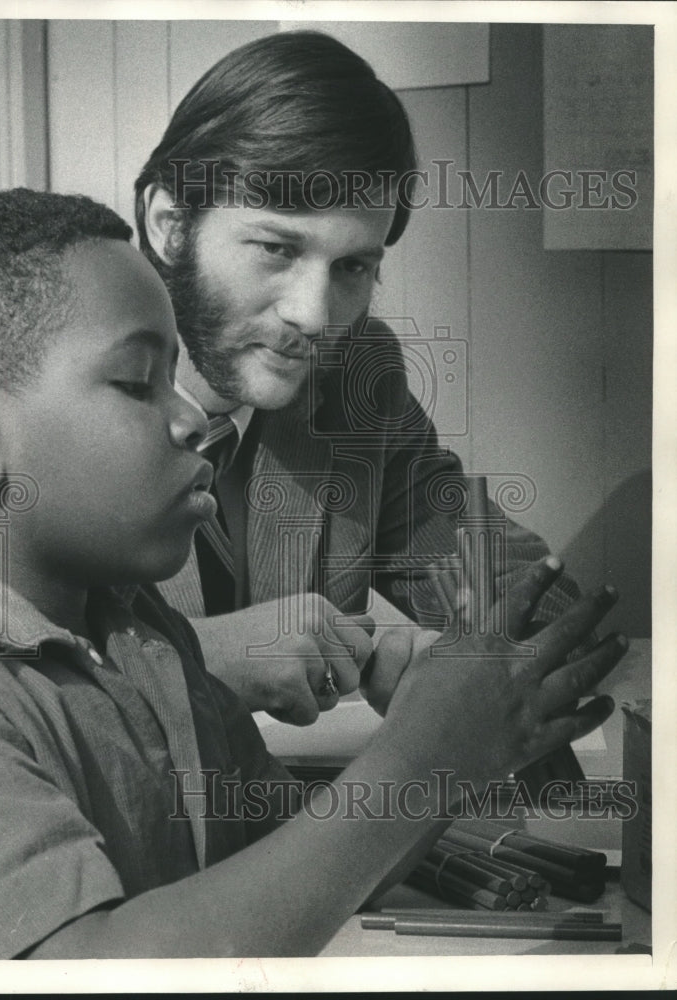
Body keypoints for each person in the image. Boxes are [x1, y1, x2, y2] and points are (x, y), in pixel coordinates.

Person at [0, 188, 625, 960]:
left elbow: (309, 866)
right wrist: (424, 755)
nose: (188, 420)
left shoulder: (140, 631)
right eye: (138, 382)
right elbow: (84, 970)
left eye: (177, 379)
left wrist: (455, 735)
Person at [133, 30, 588, 732]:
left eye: (353, 267)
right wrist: (198, 657)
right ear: (169, 226)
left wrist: (461, 659)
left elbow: (541, 610)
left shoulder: (355, 380)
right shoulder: (42, 377)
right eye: (276, 248)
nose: (315, 318)